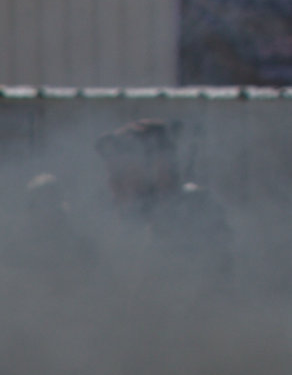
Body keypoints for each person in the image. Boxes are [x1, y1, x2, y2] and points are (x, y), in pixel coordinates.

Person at [95, 118, 234, 282]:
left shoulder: (195, 213)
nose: (114, 185)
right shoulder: (118, 225)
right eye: (113, 175)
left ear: (158, 168)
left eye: (121, 174)